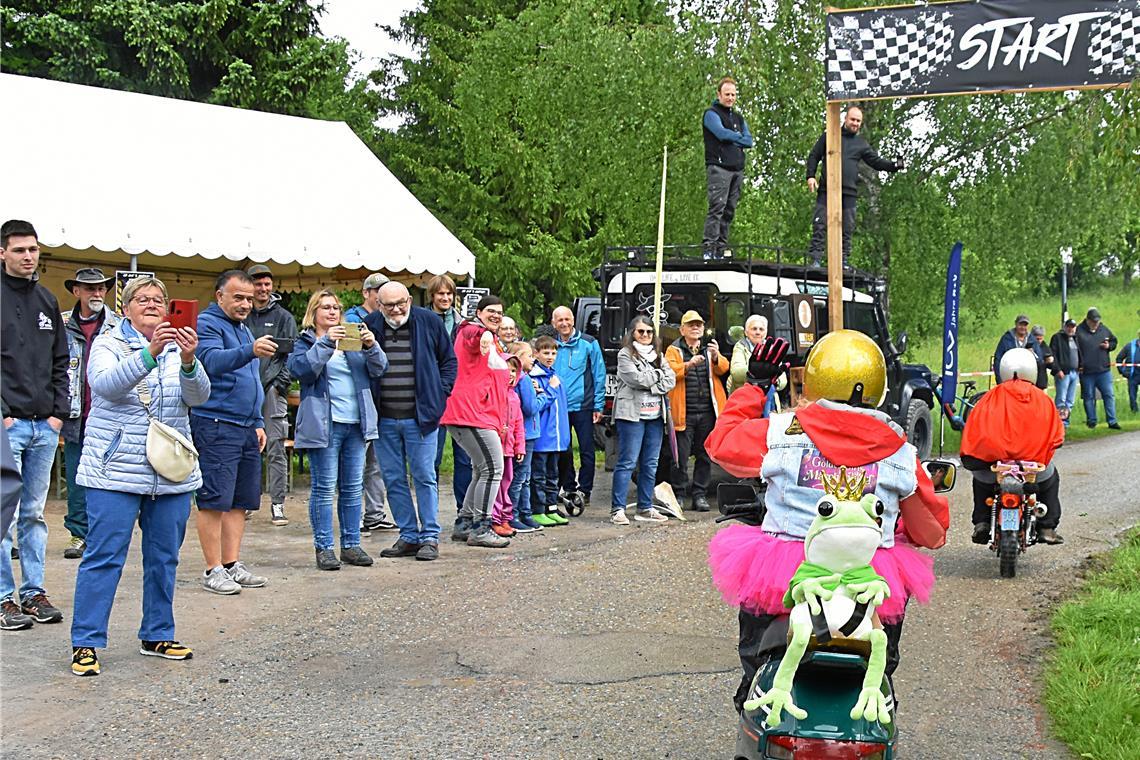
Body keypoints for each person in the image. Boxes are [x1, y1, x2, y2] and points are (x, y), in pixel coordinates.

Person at [705, 330, 949, 713]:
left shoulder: (780, 432)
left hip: (785, 569)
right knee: (882, 648)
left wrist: (755, 385)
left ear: (815, 381)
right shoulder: (901, 451)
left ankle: (752, 688)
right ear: (877, 387)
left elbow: (720, 444)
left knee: (757, 646)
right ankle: (880, 694)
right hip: (867, 572)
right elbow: (931, 532)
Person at [69, 275, 210, 676]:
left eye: (158, 300)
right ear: (126, 307)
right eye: (142, 299)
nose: (151, 304)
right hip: (115, 470)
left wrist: (187, 361)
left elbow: (200, 397)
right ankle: (86, 642)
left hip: (170, 472)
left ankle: (157, 633)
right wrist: (150, 352)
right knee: (104, 557)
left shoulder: (180, 345)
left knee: (164, 558)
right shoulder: (110, 342)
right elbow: (105, 385)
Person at [0, 219, 69, 631]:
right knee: (3, 516)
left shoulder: (46, 301)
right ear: (3, 253)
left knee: (34, 515)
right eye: (20, 250)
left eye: (33, 250)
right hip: (7, 424)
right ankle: (4, 598)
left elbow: (63, 361)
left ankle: (34, 592)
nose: (28, 257)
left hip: (44, 425)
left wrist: (58, 414)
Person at [288, 291, 387, 571]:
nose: (333, 312)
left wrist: (371, 346)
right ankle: (324, 547)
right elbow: (303, 371)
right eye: (326, 307)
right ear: (314, 311)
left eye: (337, 307)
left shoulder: (352, 339)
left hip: (356, 422)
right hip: (324, 425)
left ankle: (351, 545)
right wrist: (325, 343)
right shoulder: (306, 341)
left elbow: (380, 369)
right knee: (323, 488)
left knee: (353, 488)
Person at [191, 270, 273, 595]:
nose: (245, 304)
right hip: (215, 423)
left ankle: (231, 564)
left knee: (240, 502)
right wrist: (250, 350)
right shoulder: (207, 323)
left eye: (249, 299)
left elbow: (250, 382)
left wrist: (257, 421)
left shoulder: (241, 328)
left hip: (244, 426)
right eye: (238, 297)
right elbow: (209, 361)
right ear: (219, 296)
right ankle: (212, 569)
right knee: (213, 500)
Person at [363, 282, 457, 562]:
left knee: (425, 476)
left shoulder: (427, 321)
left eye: (401, 302)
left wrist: (440, 393)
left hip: (421, 418)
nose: (396, 309)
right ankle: (408, 535)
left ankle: (429, 536)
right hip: (385, 419)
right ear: (378, 305)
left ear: (409, 299)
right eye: (389, 305)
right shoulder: (371, 325)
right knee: (392, 478)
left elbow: (448, 361)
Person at [961, 348, 1065, 545]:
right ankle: (1047, 526)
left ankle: (982, 522)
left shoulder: (988, 398)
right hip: (1032, 470)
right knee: (1051, 477)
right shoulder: (1043, 399)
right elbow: (1057, 436)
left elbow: (973, 430)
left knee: (979, 479)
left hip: (994, 468)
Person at [440, 296, 513, 548]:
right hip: (469, 413)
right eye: (490, 311)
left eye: (499, 313)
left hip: (477, 414)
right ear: (478, 312)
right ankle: (482, 527)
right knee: (494, 469)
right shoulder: (472, 331)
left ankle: (464, 523)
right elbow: (470, 332)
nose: (496, 315)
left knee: (482, 469)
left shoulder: (494, 342)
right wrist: (483, 333)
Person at [61, 267, 119, 559]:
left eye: (100, 288)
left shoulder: (118, 325)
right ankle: (78, 535)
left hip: (108, 413)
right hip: (73, 413)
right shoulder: (61, 325)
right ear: (76, 291)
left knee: (107, 477)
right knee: (76, 477)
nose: (96, 294)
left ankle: (101, 535)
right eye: (89, 288)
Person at [805, 106, 904, 266]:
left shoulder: (861, 144)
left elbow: (876, 162)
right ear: (845, 119)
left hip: (849, 193)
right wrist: (810, 176)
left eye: (858, 121)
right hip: (827, 189)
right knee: (820, 223)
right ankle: (816, 259)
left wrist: (894, 166)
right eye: (853, 119)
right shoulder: (830, 135)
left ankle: (843, 260)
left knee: (848, 227)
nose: (855, 123)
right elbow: (814, 155)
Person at [243, 264, 298, 527]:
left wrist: (279, 384)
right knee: (244, 447)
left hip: (272, 390)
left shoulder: (283, 317)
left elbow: (292, 356)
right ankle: (244, 502)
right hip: (243, 389)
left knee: (276, 447)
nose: (263, 289)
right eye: (258, 284)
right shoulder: (241, 314)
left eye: (267, 284)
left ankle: (277, 504)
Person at [611, 316, 676, 526]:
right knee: (627, 462)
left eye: (649, 332)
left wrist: (653, 380)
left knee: (650, 464)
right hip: (631, 416)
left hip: (656, 417)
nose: (646, 335)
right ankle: (617, 509)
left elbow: (671, 380)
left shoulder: (658, 354)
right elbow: (636, 380)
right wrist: (658, 377)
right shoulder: (624, 355)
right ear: (632, 334)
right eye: (641, 332)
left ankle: (645, 508)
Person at [344, 272, 397, 533]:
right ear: (366, 293)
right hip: (361, 398)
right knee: (359, 461)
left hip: (383, 398)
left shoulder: (393, 320)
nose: (382, 297)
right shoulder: (352, 321)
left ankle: (375, 513)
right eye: (378, 292)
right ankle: (356, 519)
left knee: (376, 461)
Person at [664, 310, 729, 512]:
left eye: (699, 325)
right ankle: (680, 494)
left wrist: (717, 357)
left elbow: (724, 369)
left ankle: (699, 495)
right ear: (682, 329)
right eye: (691, 325)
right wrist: (689, 364)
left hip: (707, 413)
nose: (695, 328)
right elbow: (669, 373)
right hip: (684, 413)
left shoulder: (709, 349)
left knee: (704, 456)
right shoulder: (674, 350)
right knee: (680, 458)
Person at [426, 274, 471, 516]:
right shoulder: (420, 320)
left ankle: (463, 511)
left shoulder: (463, 324)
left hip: (460, 397)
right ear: (432, 296)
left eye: (449, 293)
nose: (445, 298)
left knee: (464, 458)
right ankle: (429, 513)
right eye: (440, 293)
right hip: (433, 396)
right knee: (431, 459)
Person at [551, 306, 605, 510]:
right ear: (553, 322)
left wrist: (598, 404)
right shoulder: (551, 345)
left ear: (573, 320)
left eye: (567, 319)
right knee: (563, 450)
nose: (564, 323)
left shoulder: (589, 343)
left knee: (587, 450)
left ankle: (585, 490)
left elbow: (599, 375)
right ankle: (568, 486)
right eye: (559, 320)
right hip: (558, 407)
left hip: (583, 405)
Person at [702, 76, 753, 258]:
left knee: (730, 209)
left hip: (737, 169)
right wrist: (736, 137)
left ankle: (721, 249)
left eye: (733, 94)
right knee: (717, 207)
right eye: (727, 94)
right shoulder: (711, 113)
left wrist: (734, 137)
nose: (730, 98)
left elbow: (749, 141)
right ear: (719, 94)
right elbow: (720, 133)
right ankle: (709, 247)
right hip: (719, 167)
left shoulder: (738, 117)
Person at [529, 335, 571, 527]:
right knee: (538, 476)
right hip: (541, 438)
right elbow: (537, 406)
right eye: (546, 352)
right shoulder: (534, 378)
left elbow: (562, 410)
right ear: (536, 354)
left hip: (556, 438)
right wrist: (550, 390)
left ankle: (551, 508)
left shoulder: (556, 377)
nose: (550, 356)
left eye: (553, 352)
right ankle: (538, 510)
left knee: (553, 475)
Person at [507, 341, 543, 532]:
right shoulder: (525, 380)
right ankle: (514, 514)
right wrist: (545, 395)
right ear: (519, 359)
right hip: (526, 434)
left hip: (524, 434)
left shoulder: (521, 380)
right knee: (520, 477)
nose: (533, 359)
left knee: (523, 476)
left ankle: (524, 513)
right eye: (529, 355)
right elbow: (530, 408)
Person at [490, 355, 527, 537]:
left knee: (506, 483)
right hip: (495, 447)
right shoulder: (493, 393)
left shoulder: (514, 396)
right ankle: (495, 519)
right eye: (507, 370)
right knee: (496, 486)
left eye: (514, 370)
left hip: (509, 450)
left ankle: (505, 517)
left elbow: (519, 424)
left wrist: (520, 447)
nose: (511, 374)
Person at [1076, 307, 1120, 429]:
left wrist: (1108, 346)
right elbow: (1074, 349)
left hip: (1103, 370)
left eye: (1097, 322)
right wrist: (1078, 365)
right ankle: (1091, 421)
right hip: (1086, 371)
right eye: (1093, 322)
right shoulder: (1079, 331)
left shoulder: (1103, 329)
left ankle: (1112, 421)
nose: (1096, 324)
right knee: (1088, 396)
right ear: (1087, 320)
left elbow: (1114, 341)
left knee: (1109, 395)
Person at [1049, 319, 1081, 426]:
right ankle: (1059, 423)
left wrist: (1081, 366)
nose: (1070, 329)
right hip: (1063, 373)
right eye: (1069, 326)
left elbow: (1080, 354)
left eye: (1073, 327)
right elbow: (1053, 355)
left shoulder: (1076, 338)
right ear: (1064, 327)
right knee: (1061, 399)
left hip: (1074, 372)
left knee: (1070, 400)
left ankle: (1066, 422)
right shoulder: (1057, 338)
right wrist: (1057, 370)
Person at [992, 314, 1039, 383]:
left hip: (1027, 381)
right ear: (1015, 324)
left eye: (1025, 325)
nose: (1023, 327)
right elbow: (998, 359)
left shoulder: (1032, 339)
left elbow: (1040, 359)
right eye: (1020, 324)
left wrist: (1032, 355)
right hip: (1009, 379)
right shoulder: (1006, 338)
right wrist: (999, 380)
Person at [728, 315, 767, 395]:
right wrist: (760, 370)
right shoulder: (740, 347)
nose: (758, 332)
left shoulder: (771, 347)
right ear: (746, 332)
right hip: (745, 396)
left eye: (761, 329)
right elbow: (736, 373)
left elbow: (782, 380)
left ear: (765, 333)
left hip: (767, 397)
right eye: (754, 329)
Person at [1116, 328, 1140, 413]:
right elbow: (1119, 359)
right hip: (1133, 375)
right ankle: (1134, 411)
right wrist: (1122, 371)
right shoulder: (1130, 346)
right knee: (1132, 395)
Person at [1030, 324, 1053, 390]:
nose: (1039, 341)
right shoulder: (1028, 346)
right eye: (1037, 338)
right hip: (1030, 380)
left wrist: (1050, 361)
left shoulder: (1045, 347)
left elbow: (1051, 365)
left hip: (1041, 381)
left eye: (1041, 338)